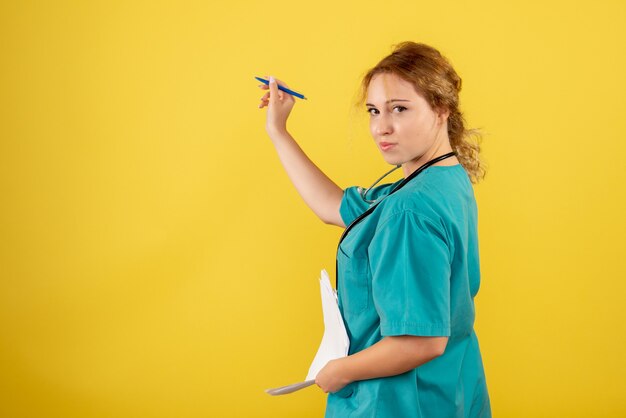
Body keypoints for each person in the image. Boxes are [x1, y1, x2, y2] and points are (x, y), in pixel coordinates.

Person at [257, 41, 491, 418]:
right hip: (450, 390)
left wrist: (337, 371)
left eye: (399, 109)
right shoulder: (444, 179)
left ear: (441, 108)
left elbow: (422, 341)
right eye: (373, 111)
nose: (381, 127)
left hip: (398, 402)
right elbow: (332, 207)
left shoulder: (410, 208)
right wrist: (279, 131)